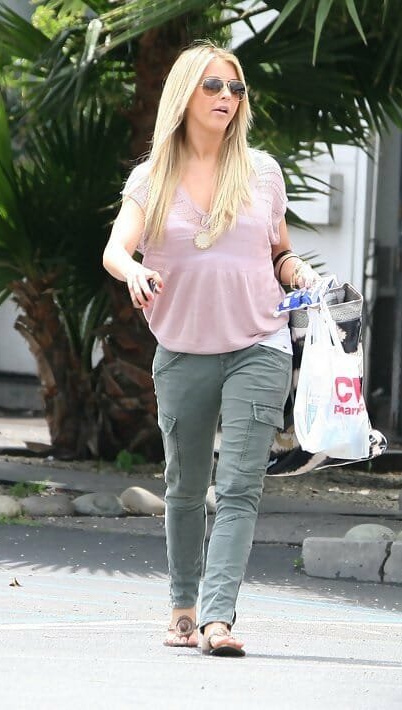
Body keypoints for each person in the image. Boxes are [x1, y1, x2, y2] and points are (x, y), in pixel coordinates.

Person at [102, 42, 319, 657]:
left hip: (260, 342)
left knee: (241, 484)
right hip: (182, 348)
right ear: (185, 95)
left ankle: (218, 619)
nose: (228, 97)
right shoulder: (152, 178)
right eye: (214, 86)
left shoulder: (262, 172)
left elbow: (279, 252)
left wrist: (298, 270)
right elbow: (116, 249)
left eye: (236, 88)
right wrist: (134, 271)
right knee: (185, 485)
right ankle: (183, 608)